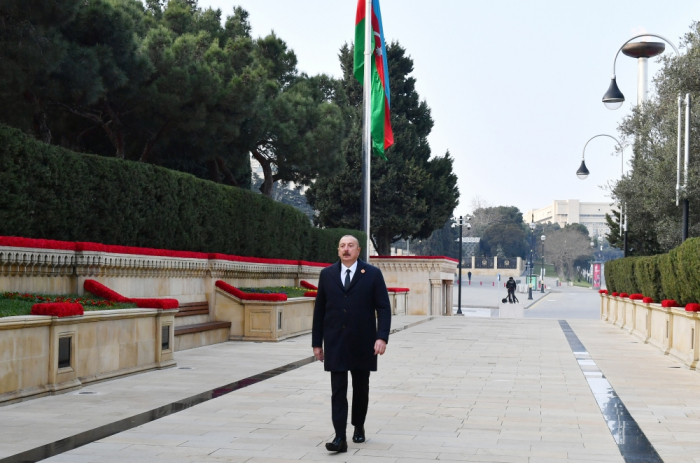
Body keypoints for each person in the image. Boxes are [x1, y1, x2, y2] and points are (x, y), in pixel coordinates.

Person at [312, 235, 392, 453]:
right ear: (338, 251)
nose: (346, 250)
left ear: (358, 250)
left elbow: (383, 308)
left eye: (350, 246)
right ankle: (339, 437)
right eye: (342, 246)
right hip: (335, 341)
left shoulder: (372, 274)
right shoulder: (327, 274)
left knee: (360, 387)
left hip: (363, 340)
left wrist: (381, 337)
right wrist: (316, 343)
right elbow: (319, 310)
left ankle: (358, 425)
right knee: (338, 389)